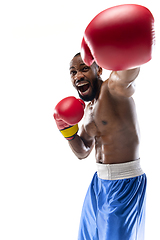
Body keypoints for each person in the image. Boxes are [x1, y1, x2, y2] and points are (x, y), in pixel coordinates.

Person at [54, 5, 154, 239]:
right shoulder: (86, 112)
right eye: (72, 72)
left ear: (98, 69)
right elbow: (83, 151)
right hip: (98, 184)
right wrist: (67, 131)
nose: (78, 75)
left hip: (125, 184)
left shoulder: (114, 89)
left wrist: (121, 39)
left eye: (84, 68)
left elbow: (129, 71)